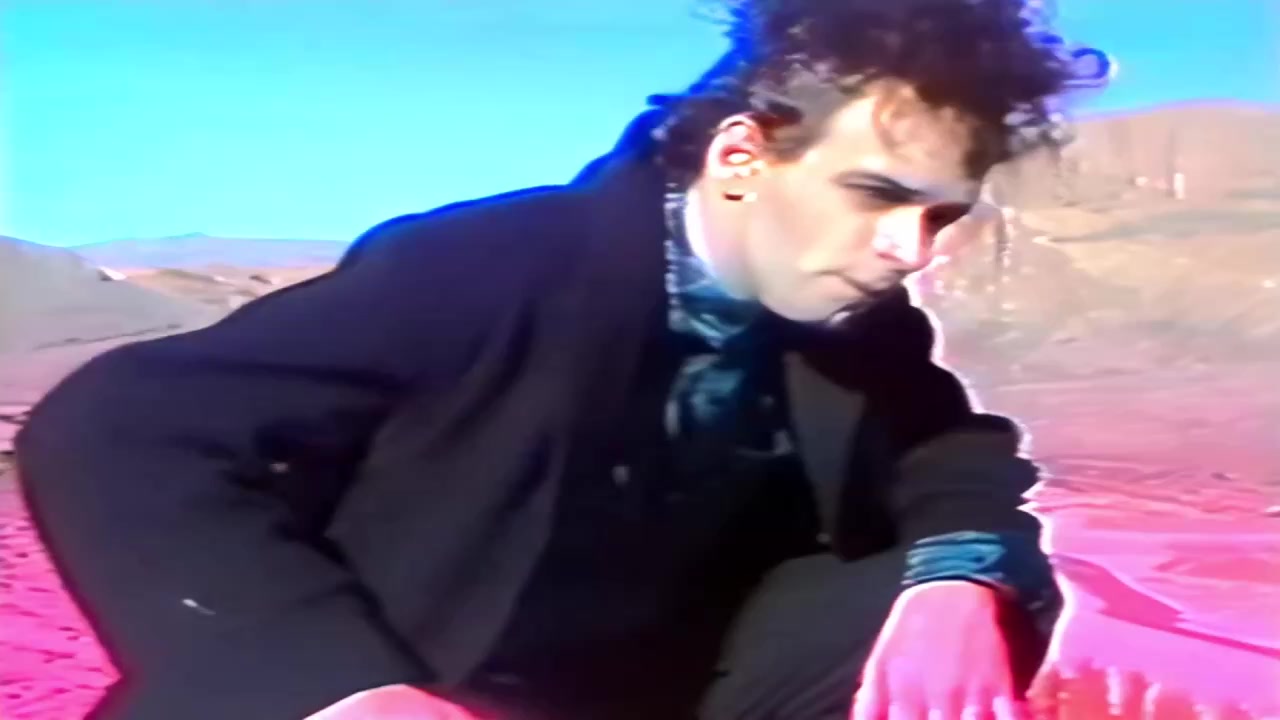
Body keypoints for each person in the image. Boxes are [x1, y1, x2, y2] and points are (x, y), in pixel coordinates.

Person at [17, 1, 1088, 718]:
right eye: (877, 195)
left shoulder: (854, 325)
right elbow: (122, 429)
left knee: (968, 588)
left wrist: (955, 580)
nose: (911, 249)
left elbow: (952, 451)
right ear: (741, 155)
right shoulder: (495, 265)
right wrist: (343, 689)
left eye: (940, 214)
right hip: (415, 674)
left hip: (645, 690)